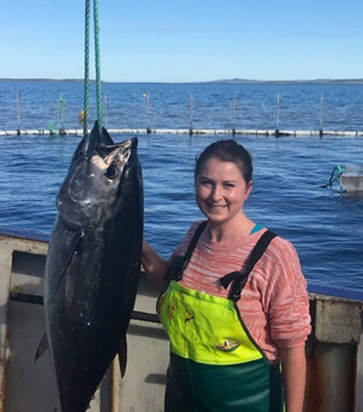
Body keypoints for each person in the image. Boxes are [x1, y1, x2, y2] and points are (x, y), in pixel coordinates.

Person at [142, 139, 311, 412]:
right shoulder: (195, 235)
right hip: (181, 400)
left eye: (228, 185)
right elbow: (168, 282)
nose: (215, 195)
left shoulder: (274, 254)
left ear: (248, 189)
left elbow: (292, 348)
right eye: (206, 182)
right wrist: (139, 248)